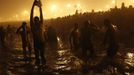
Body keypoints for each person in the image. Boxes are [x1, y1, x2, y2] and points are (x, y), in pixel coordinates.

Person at [30, 0, 46, 66]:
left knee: (42, 55)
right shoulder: (32, 25)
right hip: (36, 43)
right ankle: (38, 68)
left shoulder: (41, 24)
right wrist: (33, 6)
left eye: (37, 20)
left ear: (39, 20)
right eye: (35, 20)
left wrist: (40, 7)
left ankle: (44, 67)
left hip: (42, 42)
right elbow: (31, 14)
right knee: (37, 57)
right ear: (34, 21)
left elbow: (41, 15)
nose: (36, 21)